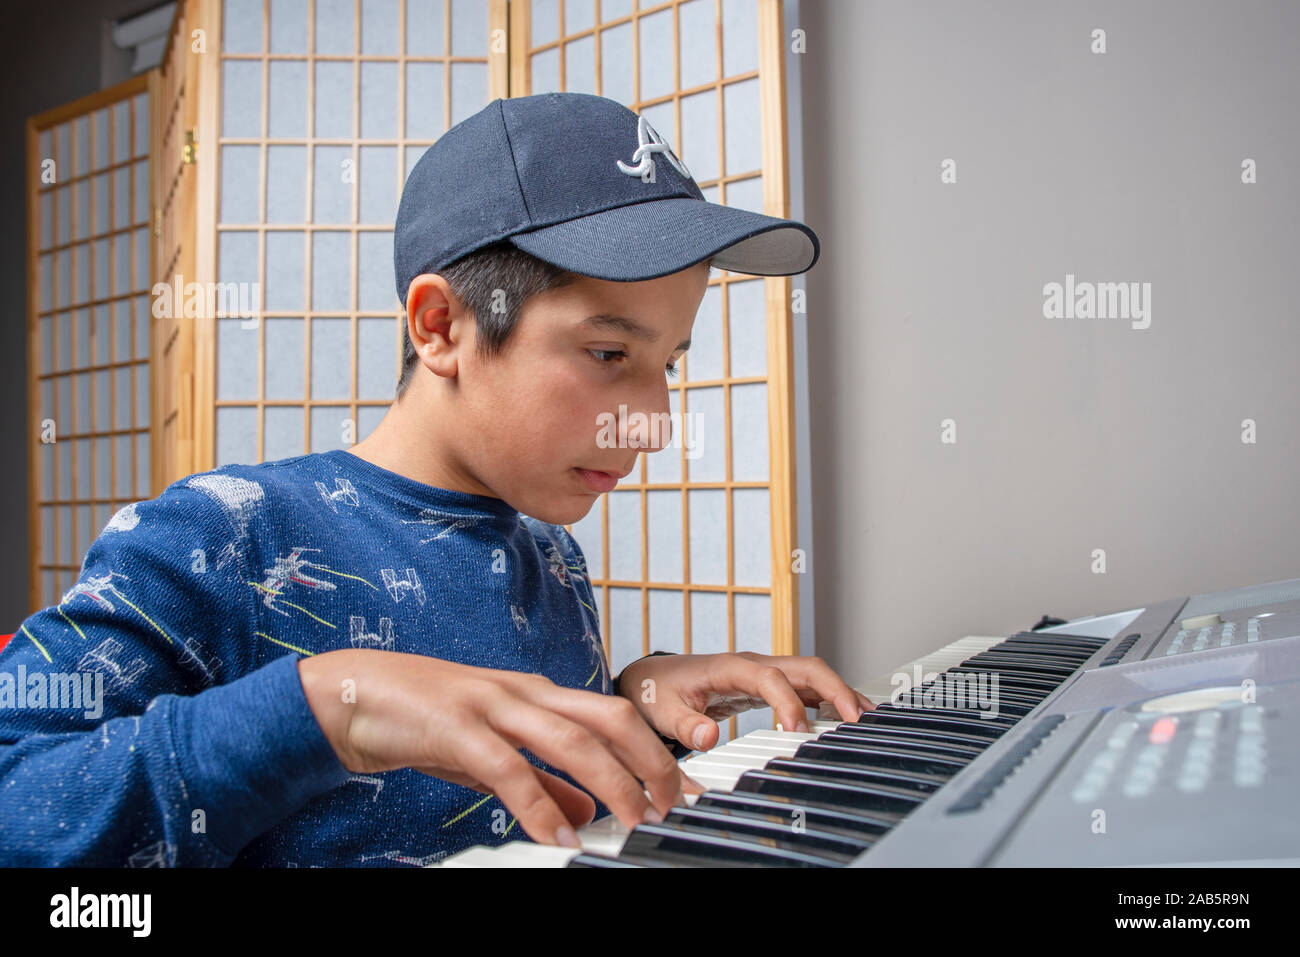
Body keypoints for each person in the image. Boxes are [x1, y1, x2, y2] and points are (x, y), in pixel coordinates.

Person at [0, 92, 872, 867]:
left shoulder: (552, 557)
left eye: (668, 365)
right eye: (609, 353)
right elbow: (19, 798)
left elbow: (501, 821)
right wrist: (323, 708)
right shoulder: (221, 530)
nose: (653, 422)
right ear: (441, 325)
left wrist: (630, 711)